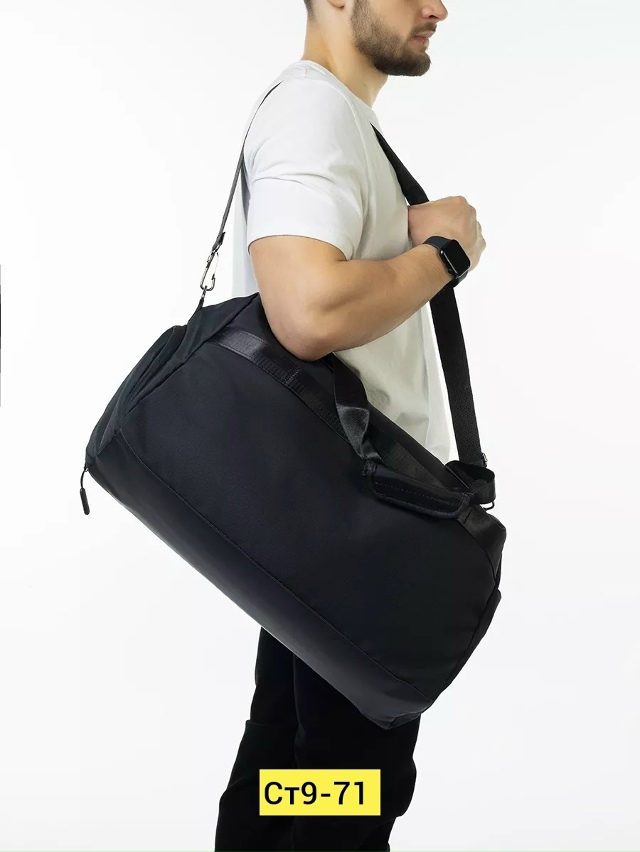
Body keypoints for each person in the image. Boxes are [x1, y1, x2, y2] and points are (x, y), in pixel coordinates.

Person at [214, 1, 486, 850]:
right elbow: (307, 311)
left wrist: (400, 238)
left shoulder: (333, 119)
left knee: (289, 772)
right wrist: (444, 255)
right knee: (349, 794)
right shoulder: (313, 113)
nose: (439, 6)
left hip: (325, 527)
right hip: (353, 537)